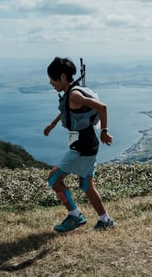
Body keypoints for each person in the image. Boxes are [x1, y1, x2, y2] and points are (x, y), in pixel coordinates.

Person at [43, 56, 115, 232]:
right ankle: (105, 219)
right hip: (88, 143)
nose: (51, 83)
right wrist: (52, 124)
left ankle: (75, 216)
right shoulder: (72, 93)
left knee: (54, 179)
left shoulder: (74, 94)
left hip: (82, 147)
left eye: (52, 79)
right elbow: (68, 110)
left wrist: (104, 130)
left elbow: (102, 107)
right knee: (86, 185)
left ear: (61, 77)